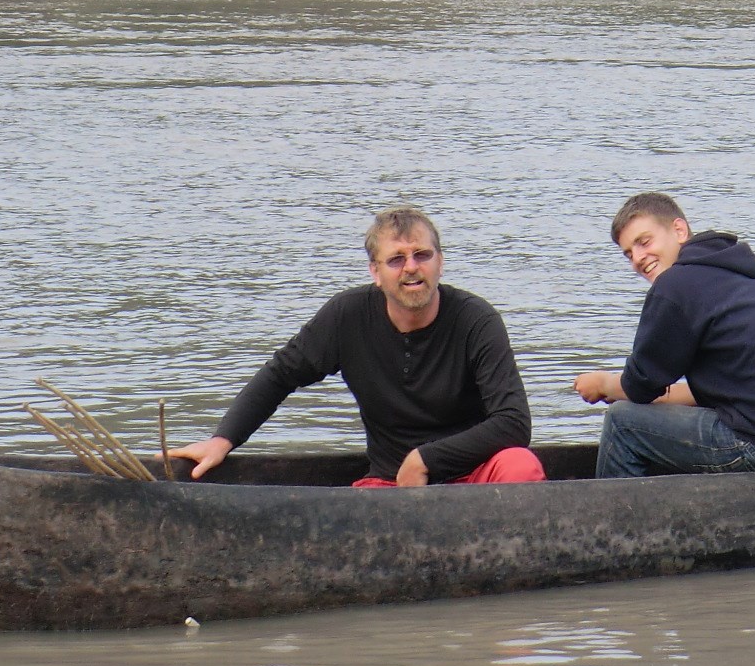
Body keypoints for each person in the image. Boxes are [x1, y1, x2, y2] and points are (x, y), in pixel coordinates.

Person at [169, 205, 544, 487]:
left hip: (475, 477)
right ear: (375, 272)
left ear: (440, 263)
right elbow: (280, 375)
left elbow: (513, 422)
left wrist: (427, 459)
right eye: (396, 259)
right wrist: (223, 439)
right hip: (390, 482)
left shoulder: (476, 319)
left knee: (520, 465)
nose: (411, 267)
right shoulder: (347, 316)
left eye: (422, 255)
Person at [573, 193, 755, 478]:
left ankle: (614, 520)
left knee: (623, 423)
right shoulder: (736, 269)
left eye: (644, 242)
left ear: (679, 230)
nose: (637, 259)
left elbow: (640, 386)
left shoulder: (676, 285)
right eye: (629, 254)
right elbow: (714, 389)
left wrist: (604, 384)